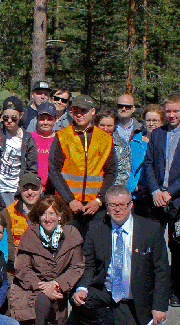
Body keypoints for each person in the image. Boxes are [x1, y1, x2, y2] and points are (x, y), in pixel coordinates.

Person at [70, 185, 169, 325]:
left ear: (131, 205)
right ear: (106, 207)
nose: (118, 209)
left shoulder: (150, 230)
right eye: (112, 205)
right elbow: (90, 265)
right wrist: (81, 288)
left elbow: (161, 270)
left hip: (132, 294)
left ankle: (127, 318)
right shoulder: (96, 228)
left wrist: (159, 306)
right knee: (76, 295)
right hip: (106, 288)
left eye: (122, 204)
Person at [142, 93, 180, 307]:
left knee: (176, 246)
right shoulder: (157, 134)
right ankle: (151, 286)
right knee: (152, 245)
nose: (171, 115)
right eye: (168, 111)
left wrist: (171, 192)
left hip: (177, 202)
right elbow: (148, 164)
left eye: (175, 111)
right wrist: (155, 191)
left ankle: (176, 290)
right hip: (156, 200)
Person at [10, 195, 84, 325]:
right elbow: (23, 268)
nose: (47, 218)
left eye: (52, 213)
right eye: (44, 214)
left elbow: (77, 266)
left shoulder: (72, 234)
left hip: (58, 286)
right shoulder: (30, 234)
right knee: (42, 299)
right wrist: (42, 286)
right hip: (31, 286)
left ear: (60, 215)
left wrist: (57, 284)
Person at [48, 94, 117, 237]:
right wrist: (70, 200)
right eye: (75, 110)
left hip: (95, 208)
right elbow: (54, 170)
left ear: (93, 111)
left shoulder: (105, 139)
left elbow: (111, 172)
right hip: (68, 206)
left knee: (95, 251)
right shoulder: (62, 136)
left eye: (83, 110)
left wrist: (99, 200)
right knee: (67, 249)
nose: (79, 114)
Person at [0, 96, 38, 206]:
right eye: (6, 117)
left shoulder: (27, 139)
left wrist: (26, 189)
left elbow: (32, 167)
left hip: (16, 188)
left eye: (13, 118)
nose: (9, 121)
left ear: (21, 115)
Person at [2, 173, 43, 270]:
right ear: (20, 190)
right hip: (15, 265)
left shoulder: (49, 210)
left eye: (34, 188)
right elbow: (7, 243)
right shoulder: (8, 212)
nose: (30, 192)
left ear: (41, 189)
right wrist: (17, 261)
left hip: (42, 265)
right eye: (26, 188)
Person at [95, 107, 132, 187]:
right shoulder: (88, 142)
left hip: (111, 191)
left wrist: (108, 191)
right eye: (102, 125)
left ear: (115, 126)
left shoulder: (122, 146)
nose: (105, 129)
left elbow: (123, 174)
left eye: (109, 126)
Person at [30, 102, 58, 193]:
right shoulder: (29, 138)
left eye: (49, 119)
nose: (45, 123)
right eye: (42, 119)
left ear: (56, 120)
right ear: (37, 119)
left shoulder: (60, 139)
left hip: (53, 188)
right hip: (33, 188)